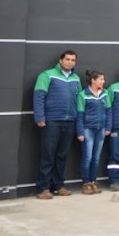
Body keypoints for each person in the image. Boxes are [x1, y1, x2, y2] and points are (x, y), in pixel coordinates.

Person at [33, 49, 81, 199]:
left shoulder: (76, 79)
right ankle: (43, 188)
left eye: (73, 60)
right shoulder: (47, 75)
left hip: (69, 121)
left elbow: (78, 99)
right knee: (48, 154)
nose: (70, 62)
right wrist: (40, 117)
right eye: (67, 59)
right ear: (61, 60)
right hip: (51, 121)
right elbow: (39, 96)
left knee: (62, 155)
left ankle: (58, 185)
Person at [76, 69, 110, 196]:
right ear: (93, 80)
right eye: (101, 79)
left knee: (96, 158)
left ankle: (93, 181)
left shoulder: (105, 93)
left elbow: (109, 111)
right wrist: (80, 132)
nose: (103, 81)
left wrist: (108, 128)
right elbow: (80, 114)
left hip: (100, 130)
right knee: (87, 157)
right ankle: (86, 183)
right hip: (87, 129)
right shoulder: (83, 94)